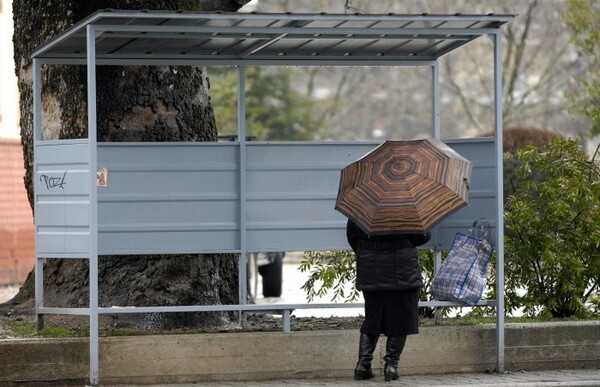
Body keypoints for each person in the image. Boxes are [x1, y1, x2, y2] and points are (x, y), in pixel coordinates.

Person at [346, 219, 430, 382]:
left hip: (371, 267)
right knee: (402, 318)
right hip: (403, 269)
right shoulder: (406, 207)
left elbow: (352, 237)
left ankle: (363, 365)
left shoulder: (363, 203)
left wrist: (368, 251)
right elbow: (421, 238)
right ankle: (391, 367)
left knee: (373, 317)